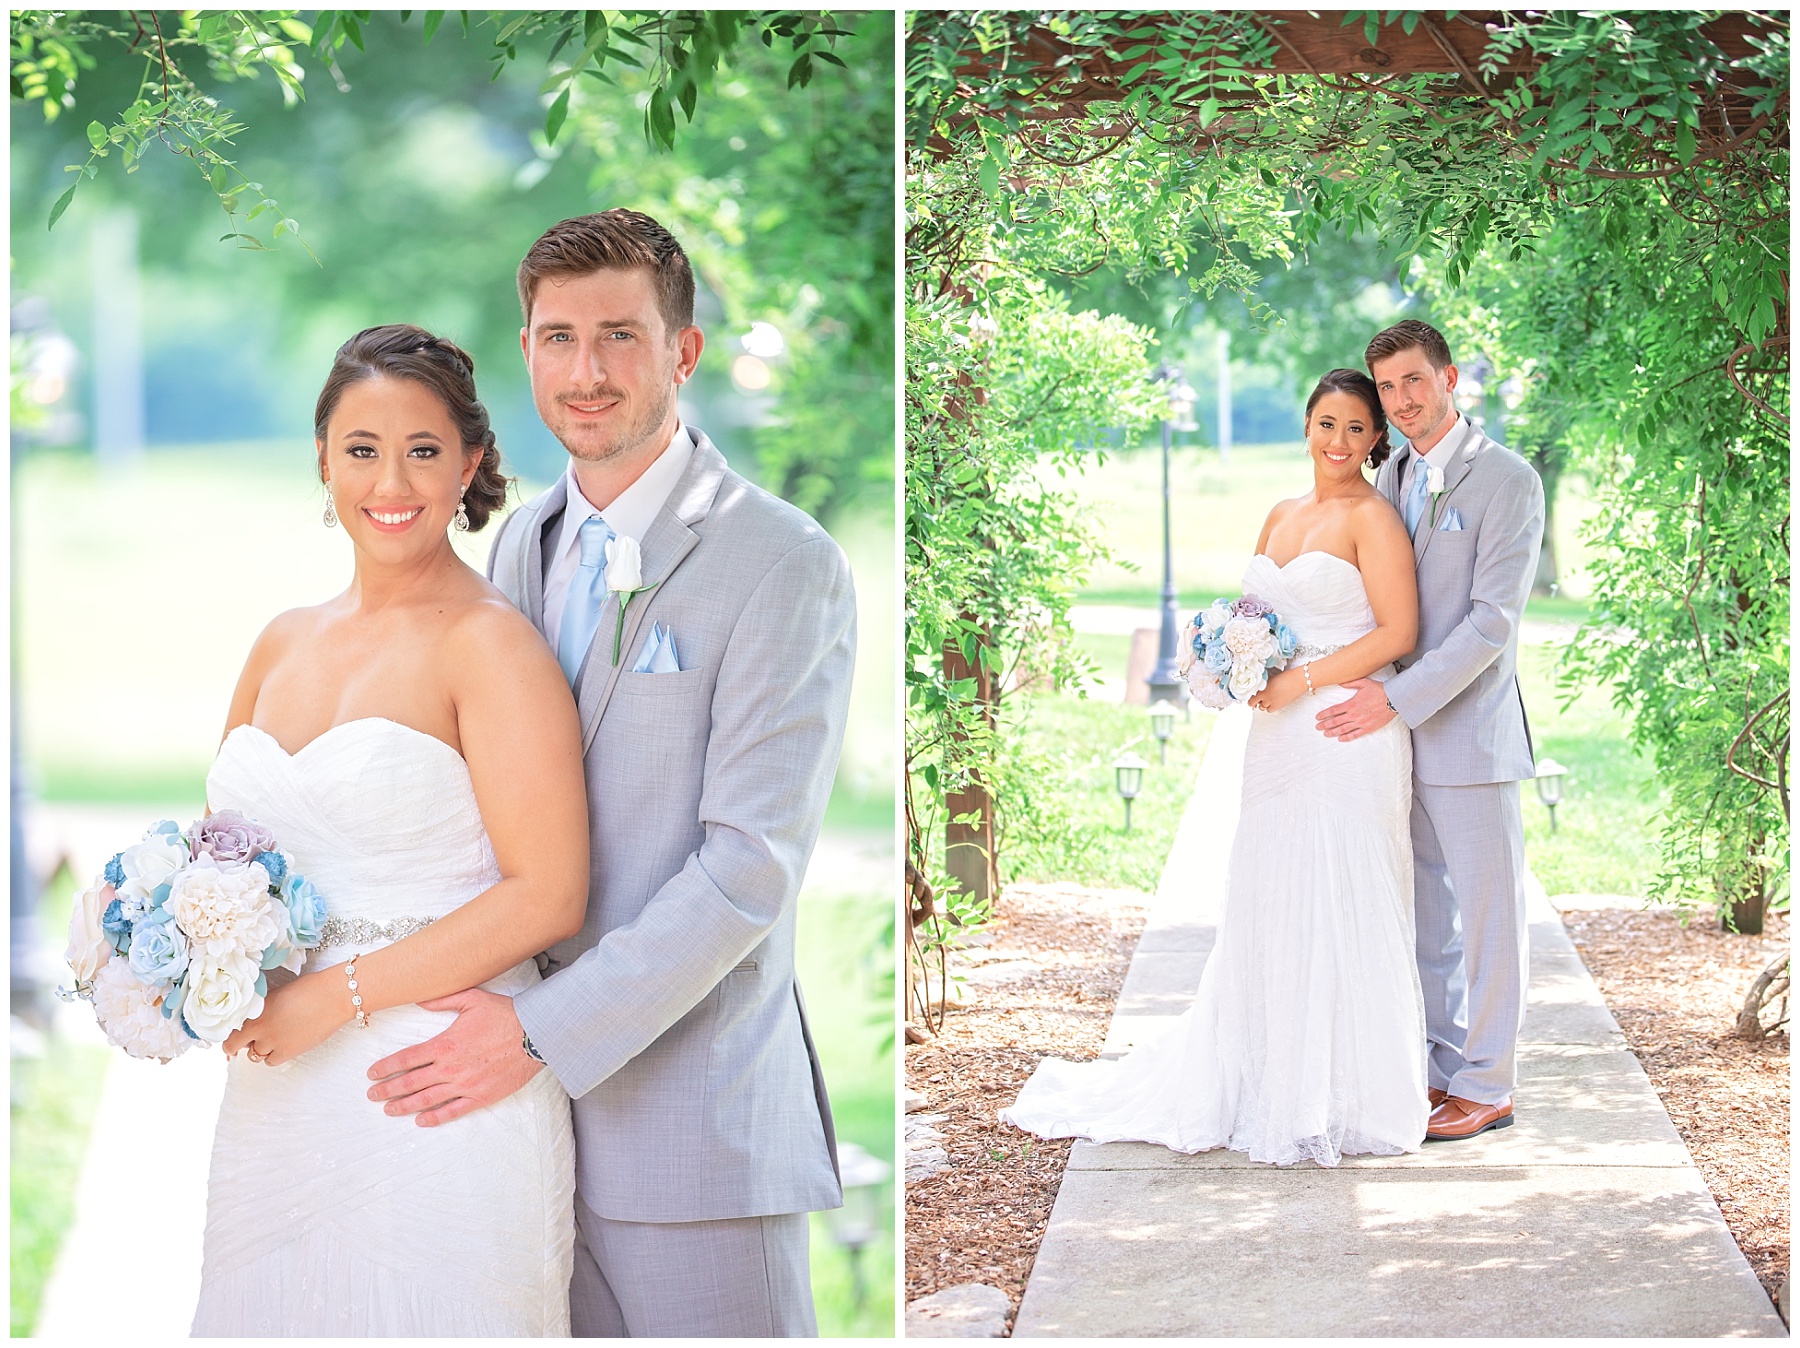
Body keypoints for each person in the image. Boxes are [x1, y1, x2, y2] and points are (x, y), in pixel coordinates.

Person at [362, 210, 855, 1337]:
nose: (587, 372)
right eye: (558, 337)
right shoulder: (517, 545)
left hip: (697, 1135)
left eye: (621, 337)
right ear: (527, 349)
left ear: (682, 351)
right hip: (516, 1142)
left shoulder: (782, 562)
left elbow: (748, 871)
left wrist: (536, 1031)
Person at [194, 324, 588, 1335]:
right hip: (276, 1091)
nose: (391, 479)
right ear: (323, 458)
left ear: (470, 464)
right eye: (362, 448)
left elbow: (548, 893)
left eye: (423, 448)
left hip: (434, 1081)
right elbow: (222, 853)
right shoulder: (279, 639)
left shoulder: (492, 646)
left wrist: (339, 996)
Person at [1002, 369, 1430, 1167]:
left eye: (1357, 429)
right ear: (1307, 427)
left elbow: (1398, 631)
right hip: (1272, 738)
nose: (1339, 442)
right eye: (1327, 424)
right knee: (1271, 894)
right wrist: (1227, 660)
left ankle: (1339, 1096)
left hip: (1342, 731)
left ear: (1377, 442)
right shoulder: (1279, 512)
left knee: (1340, 894)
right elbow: (1255, 616)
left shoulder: (1373, 520)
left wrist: (1299, 680)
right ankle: (1268, 1079)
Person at [1318, 319, 1545, 1142]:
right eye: (1386, 388)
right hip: (1394, 742)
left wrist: (1397, 699)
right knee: (1422, 916)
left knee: (1487, 919)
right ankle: (1440, 1070)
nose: (1401, 400)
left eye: (1414, 380)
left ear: (1449, 379)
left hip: (1468, 734)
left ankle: (1489, 1084)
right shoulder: (1395, 475)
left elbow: (1490, 626)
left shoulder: (1506, 480)